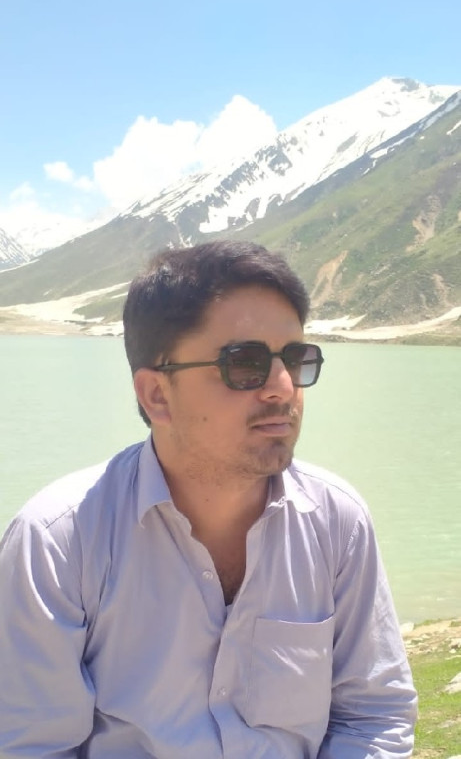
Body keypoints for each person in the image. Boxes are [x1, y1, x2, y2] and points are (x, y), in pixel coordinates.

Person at [0, 240, 416, 758]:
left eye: (295, 359)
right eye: (245, 363)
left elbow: (373, 714)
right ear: (156, 395)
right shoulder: (57, 543)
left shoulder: (338, 522)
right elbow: (32, 746)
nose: (283, 388)